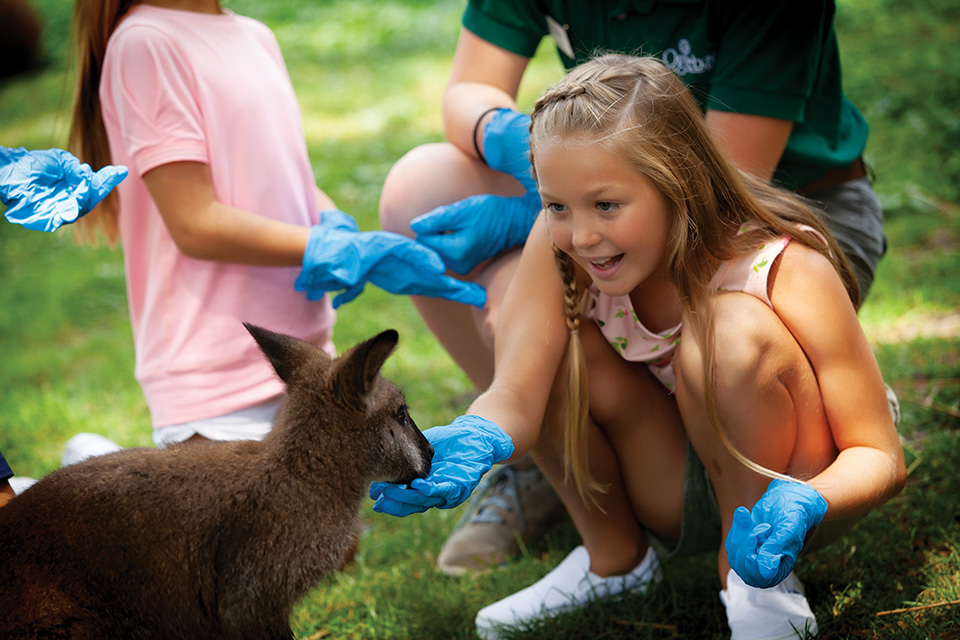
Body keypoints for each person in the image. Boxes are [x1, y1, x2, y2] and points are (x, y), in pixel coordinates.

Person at [371, 55, 906, 640]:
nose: (581, 236)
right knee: (547, 346)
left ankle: (755, 588)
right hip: (672, 479)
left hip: (789, 483)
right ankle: (616, 562)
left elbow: (879, 456)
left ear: (677, 181)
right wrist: (476, 437)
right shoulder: (564, 250)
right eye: (556, 206)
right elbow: (518, 391)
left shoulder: (784, 265)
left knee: (726, 334)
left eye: (606, 205)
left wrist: (811, 502)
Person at [62, 0, 484, 458]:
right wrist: (322, 247)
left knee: (320, 527)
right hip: (214, 371)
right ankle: (89, 475)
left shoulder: (255, 35)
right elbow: (193, 222)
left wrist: (336, 227)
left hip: (302, 356)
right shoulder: (145, 43)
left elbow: (285, 178)